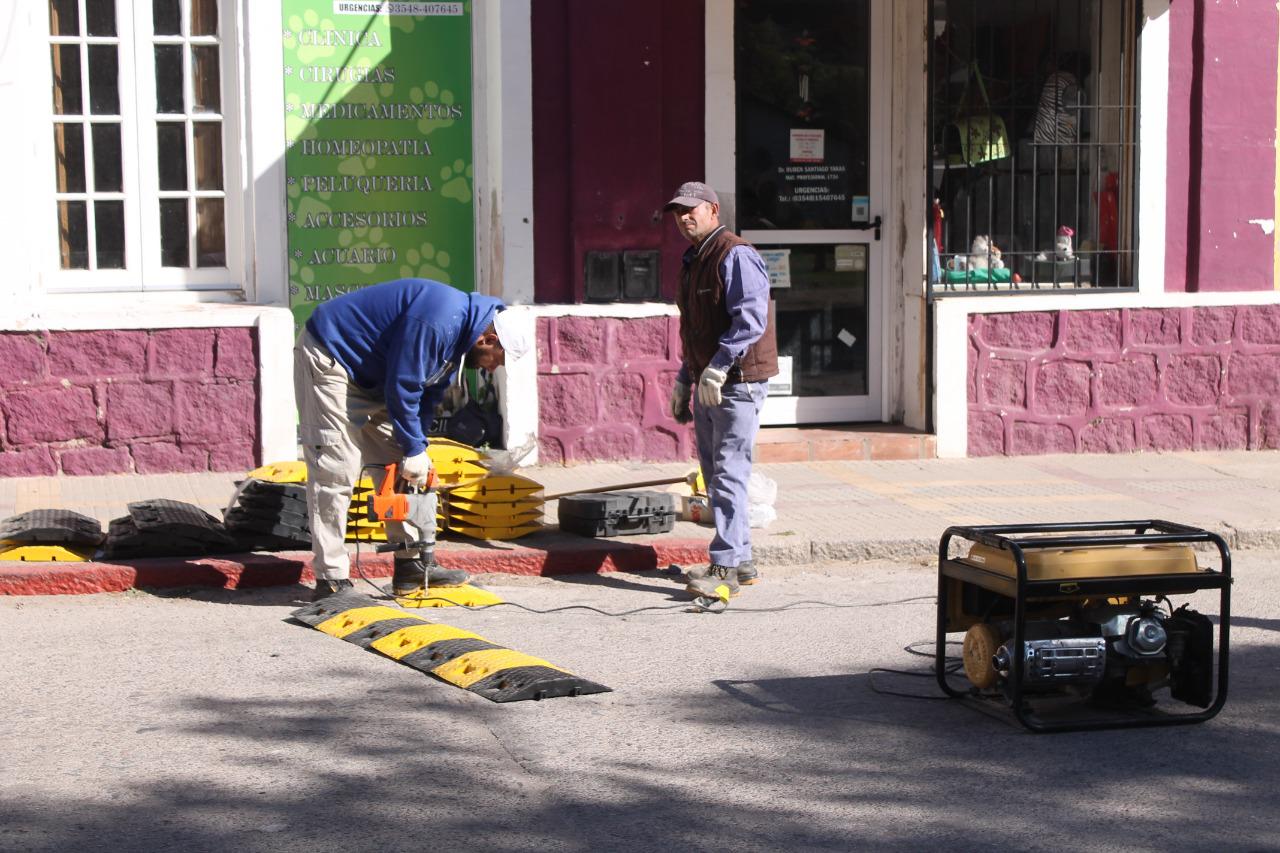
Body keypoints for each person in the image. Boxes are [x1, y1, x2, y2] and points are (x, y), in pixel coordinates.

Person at [293, 277, 531, 600]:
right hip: (331, 357)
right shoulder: (440, 320)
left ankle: (411, 565)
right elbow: (403, 386)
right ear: (487, 341)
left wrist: (416, 448)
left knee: (402, 465)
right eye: (497, 360)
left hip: (374, 375)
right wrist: (414, 447)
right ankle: (331, 579)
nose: (491, 370)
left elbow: (426, 395)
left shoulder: (458, 337)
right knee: (337, 465)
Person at [663, 182, 778, 599]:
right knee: (714, 475)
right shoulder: (695, 259)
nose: (683, 217)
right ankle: (742, 559)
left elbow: (750, 320)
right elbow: (696, 327)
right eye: (678, 212)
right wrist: (684, 377)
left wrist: (717, 367)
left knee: (728, 472)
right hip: (709, 379)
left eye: (691, 210)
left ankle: (725, 563)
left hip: (738, 382)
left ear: (712, 209)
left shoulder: (735, 254)